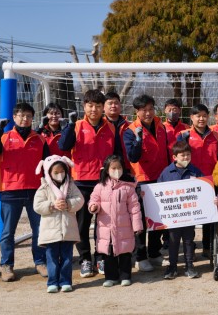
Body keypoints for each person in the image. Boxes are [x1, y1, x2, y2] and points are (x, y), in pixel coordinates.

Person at [59, 89, 119, 278]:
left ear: (103, 108)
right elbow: (63, 146)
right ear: (84, 106)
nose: (94, 109)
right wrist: (69, 125)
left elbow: (116, 154)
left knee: (104, 224)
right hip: (81, 183)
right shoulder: (75, 126)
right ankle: (85, 259)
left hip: (103, 183)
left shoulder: (110, 127)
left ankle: (100, 257)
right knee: (82, 224)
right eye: (90, 105)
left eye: (98, 106)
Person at [0, 102, 50, 282]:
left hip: (35, 191)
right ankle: (6, 265)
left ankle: (40, 261)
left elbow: (47, 165)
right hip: (10, 191)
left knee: (39, 230)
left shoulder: (40, 139)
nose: (25, 119)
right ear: (14, 117)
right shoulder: (4, 137)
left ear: (33, 118)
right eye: (21, 115)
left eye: (29, 116)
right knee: (8, 231)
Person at [123, 94, 170, 272]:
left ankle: (155, 252)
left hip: (161, 178)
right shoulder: (130, 130)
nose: (148, 113)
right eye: (144, 110)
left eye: (151, 109)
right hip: (142, 179)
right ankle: (140, 256)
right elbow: (132, 157)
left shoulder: (161, 126)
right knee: (141, 219)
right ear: (137, 112)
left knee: (158, 218)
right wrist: (138, 140)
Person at [88, 155, 143, 287]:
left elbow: (135, 208)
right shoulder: (100, 186)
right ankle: (110, 277)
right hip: (105, 228)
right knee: (109, 253)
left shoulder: (128, 187)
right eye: (113, 168)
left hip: (124, 227)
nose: (117, 170)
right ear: (107, 170)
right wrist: (93, 207)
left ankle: (125, 276)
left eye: (119, 168)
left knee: (125, 252)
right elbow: (93, 199)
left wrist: (137, 226)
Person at [33, 155, 83, 293]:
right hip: (50, 231)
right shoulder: (44, 187)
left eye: (62, 171)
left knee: (67, 257)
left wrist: (68, 203)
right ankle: (53, 282)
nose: (60, 175)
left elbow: (80, 200)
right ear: (49, 172)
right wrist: (52, 205)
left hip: (68, 230)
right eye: (56, 172)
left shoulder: (71, 186)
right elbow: (37, 205)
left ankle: (66, 281)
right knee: (52, 258)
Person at [177, 104, 218, 258]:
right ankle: (189, 250)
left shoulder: (215, 135)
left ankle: (208, 247)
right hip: (190, 181)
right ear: (191, 117)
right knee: (189, 216)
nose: (201, 118)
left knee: (210, 217)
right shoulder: (183, 135)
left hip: (210, 181)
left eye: (204, 115)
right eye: (198, 115)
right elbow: (179, 157)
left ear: (208, 116)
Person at [158, 141, 203, 279]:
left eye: (188, 155)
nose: (186, 158)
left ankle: (189, 266)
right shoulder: (166, 172)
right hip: (173, 218)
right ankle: (172, 267)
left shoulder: (195, 171)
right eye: (182, 155)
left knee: (189, 240)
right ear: (174, 157)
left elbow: (203, 190)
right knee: (173, 241)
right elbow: (158, 192)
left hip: (190, 215)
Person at [104, 91, 130, 170]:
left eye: (116, 103)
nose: (113, 106)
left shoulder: (129, 126)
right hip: (105, 168)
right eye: (110, 103)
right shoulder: (100, 125)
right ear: (103, 107)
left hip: (125, 167)